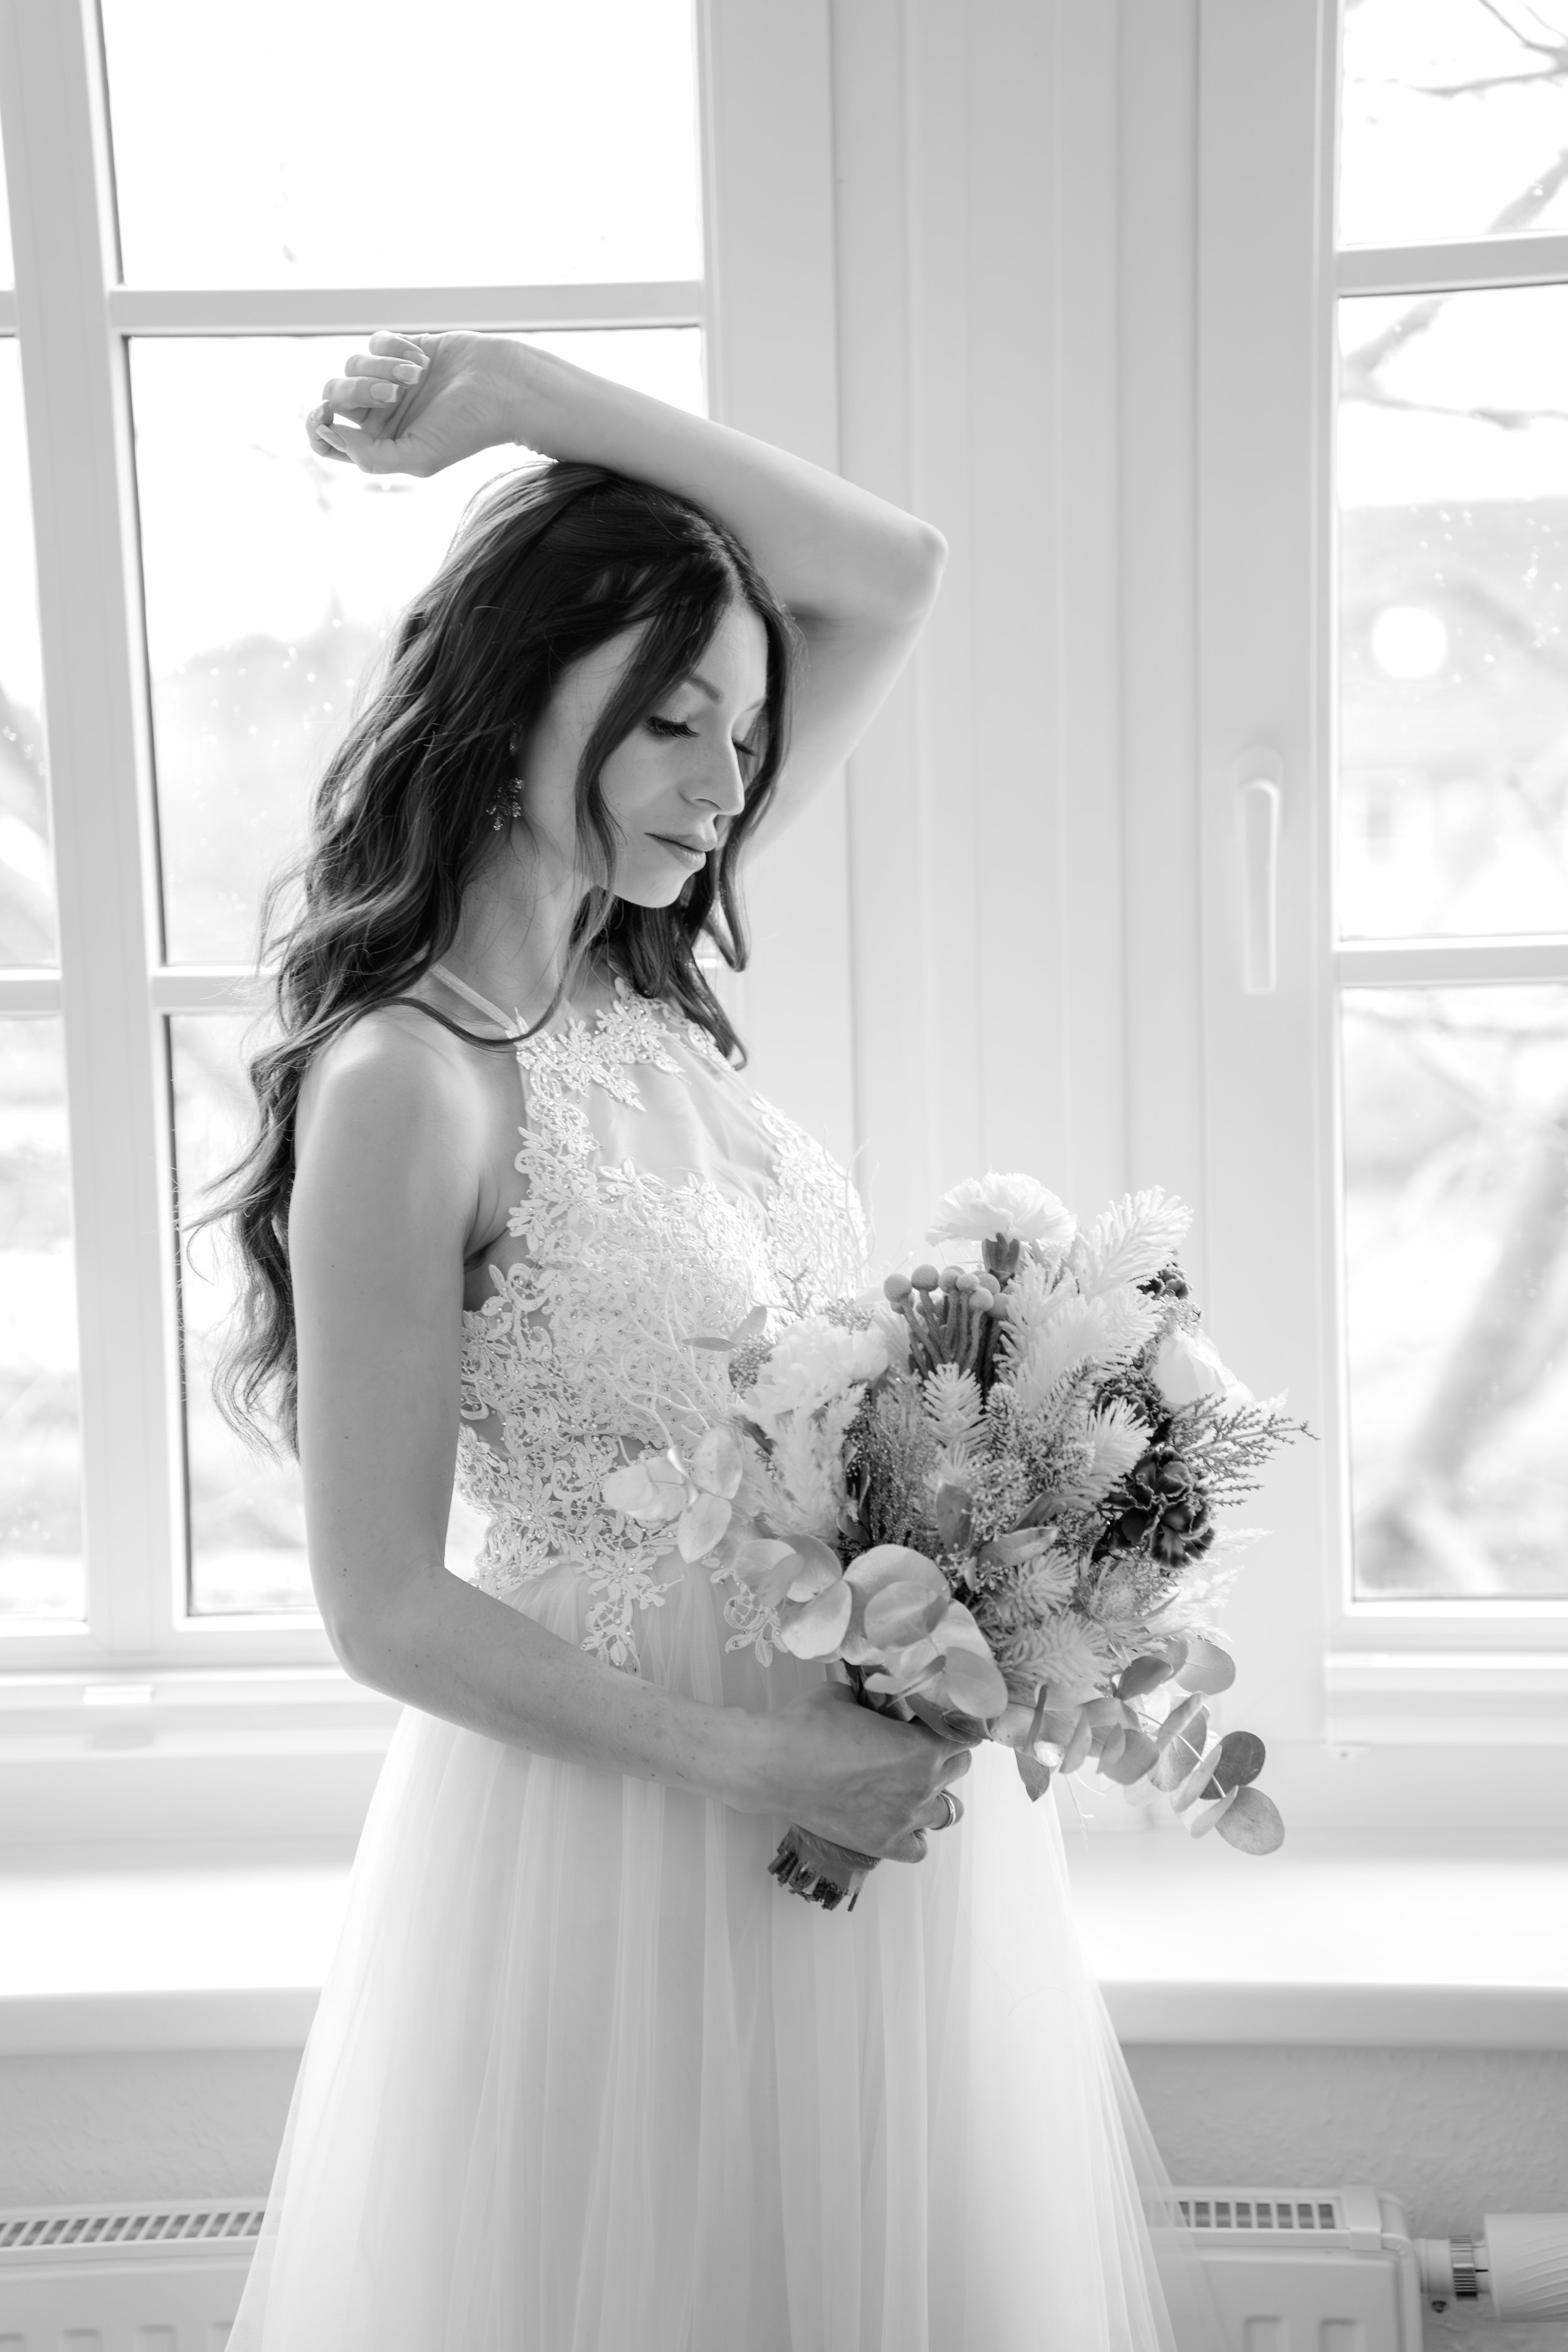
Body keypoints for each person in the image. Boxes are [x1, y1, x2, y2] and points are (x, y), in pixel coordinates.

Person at [222, 332, 1215, 2351]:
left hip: (849, 1792)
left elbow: (896, 565)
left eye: (747, 736)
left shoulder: (637, 978)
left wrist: (521, 398)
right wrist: (768, 1757)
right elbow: (381, 1607)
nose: (724, 783)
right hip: (616, 1832)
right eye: (671, 722)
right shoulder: (410, 1083)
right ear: (513, 709)